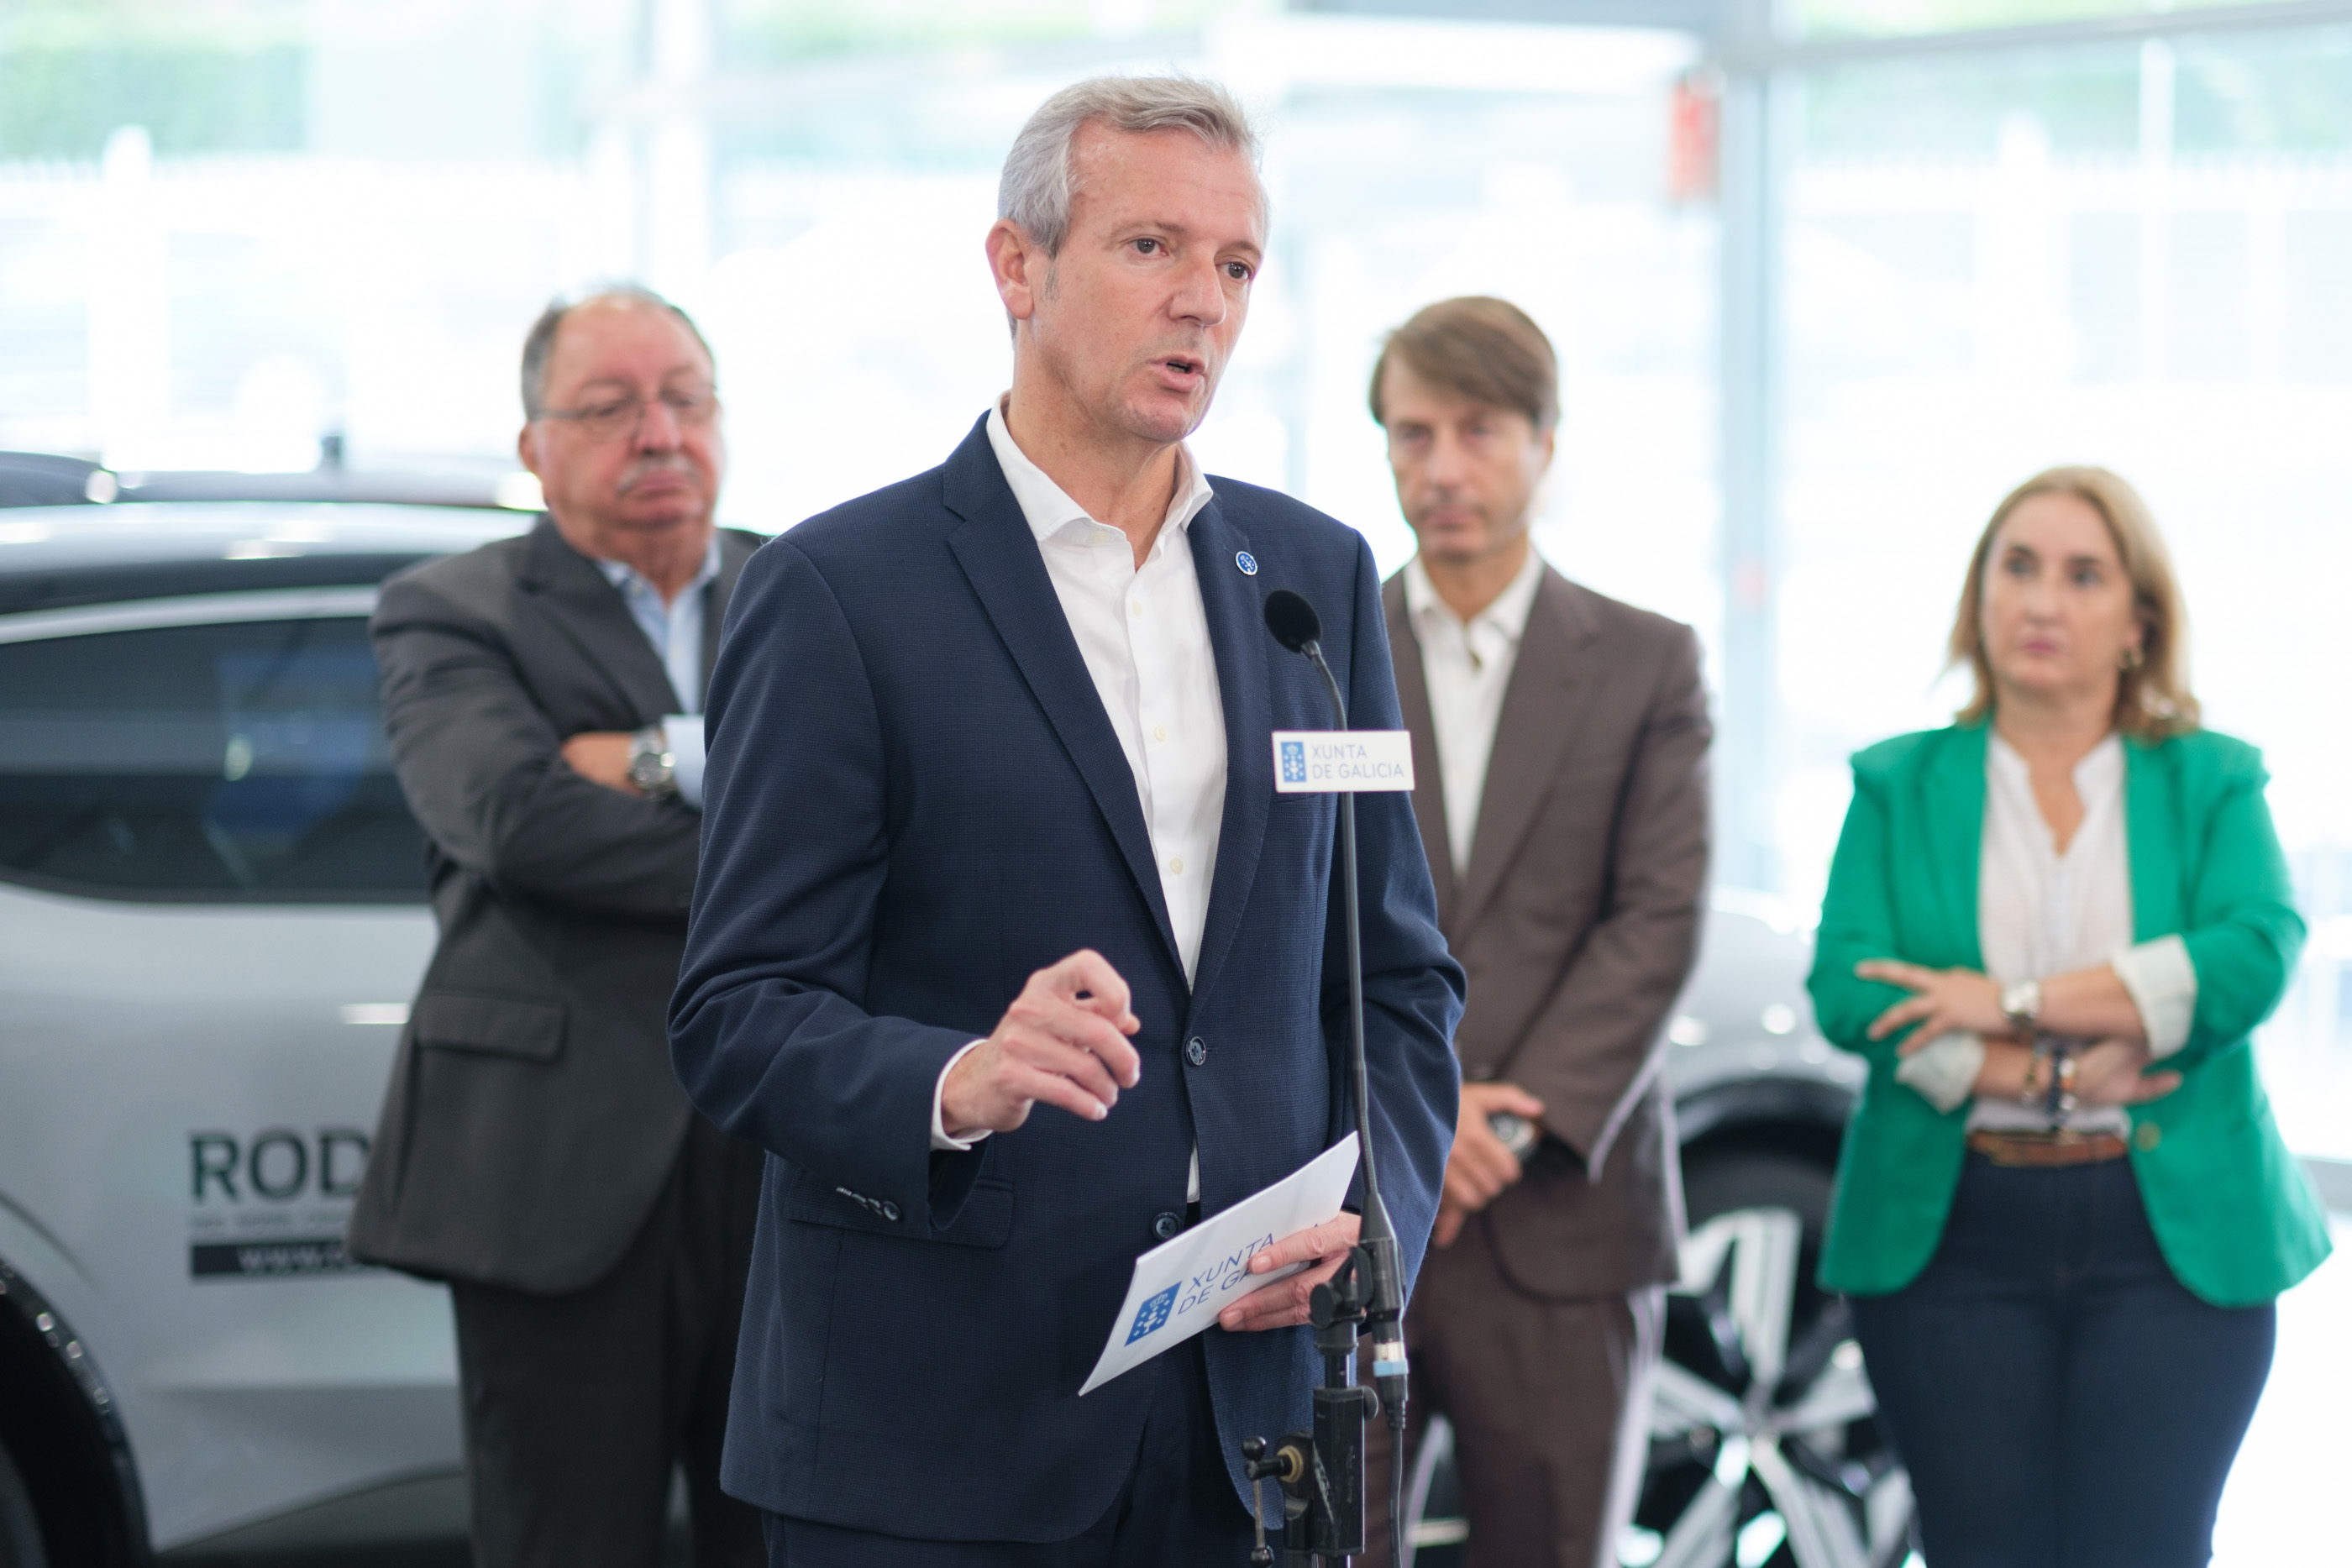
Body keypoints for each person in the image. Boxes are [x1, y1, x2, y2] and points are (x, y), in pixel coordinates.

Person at [667, 76, 1462, 1565]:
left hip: (1247, 1425)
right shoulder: (840, 592)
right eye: (1151, 247)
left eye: (1236, 265)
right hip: (937, 1424)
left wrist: (1371, 1233)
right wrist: (958, 1077)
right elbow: (736, 1011)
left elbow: (1396, 983)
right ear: (1017, 268)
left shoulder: (1315, 582)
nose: (1203, 303)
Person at [1807, 465, 2332, 1568]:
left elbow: (2251, 956)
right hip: (1949, 1234)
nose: (2043, 602)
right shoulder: (1898, 781)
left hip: (2172, 1239)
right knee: (1979, 1548)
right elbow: (1852, 991)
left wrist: (2007, 1005)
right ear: (1980, 596)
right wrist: (2046, 1071)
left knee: (2147, 1547)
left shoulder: (2213, 780)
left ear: (2140, 622)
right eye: (2019, 568)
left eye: (2084, 575)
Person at [346, 287, 768, 1568]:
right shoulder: (451, 607)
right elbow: (519, 821)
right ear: (534, 446)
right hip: (557, 1171)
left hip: (784, 1159)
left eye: (684, 398)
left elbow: (905, 814)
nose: (660, 433)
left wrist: (647, 757)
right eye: (610, 407)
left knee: (794, 1538)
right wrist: (783, 847)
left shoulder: (806, 588)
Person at [1357, 297, 1709, 1568]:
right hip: (1356, 1212)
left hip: (1561, 1211)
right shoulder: (1315, 652)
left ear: (1545, 443)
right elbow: (1283, 919)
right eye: (1413, 435)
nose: (1442, 469)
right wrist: (1419, 1116)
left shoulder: (1646, 663)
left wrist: (1498, 1127)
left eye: (1479, 431)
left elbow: (1657, 918)